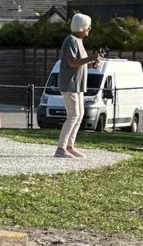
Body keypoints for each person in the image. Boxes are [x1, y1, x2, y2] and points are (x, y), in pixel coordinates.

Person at [55, 13, 101, 158]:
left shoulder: (79, 41)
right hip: (70, 84)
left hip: (78, 85)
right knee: (73, 115)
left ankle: (70, 146)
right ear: (82, 27)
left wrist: (91, 62)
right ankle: (60, 149)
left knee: (79, 115)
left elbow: (79, 62)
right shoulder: (71, 40)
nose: (89, 29)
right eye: (88, 26)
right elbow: (71, 62)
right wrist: (91, 58)